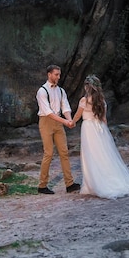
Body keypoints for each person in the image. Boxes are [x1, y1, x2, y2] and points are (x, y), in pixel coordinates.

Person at [72, 75, 129, 199]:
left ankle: (94, 184)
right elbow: (104, 119)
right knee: (105, 155)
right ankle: (110, 179)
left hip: (88, 129)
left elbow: (77, 116)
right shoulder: (101, 101)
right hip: (100, 128)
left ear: (87, 87)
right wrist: (105, 134)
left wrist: (70, 122)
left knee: (91, 156)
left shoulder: (84, 101)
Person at [35, 64, 81, 194]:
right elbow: (48, 113)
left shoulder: (60, 90)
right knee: (48, 153)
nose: (58, 77)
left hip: (59, 122)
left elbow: (65, 107)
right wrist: (66, 122)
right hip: (46, 122)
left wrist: (70, 120)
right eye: (56, 74)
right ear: (49, 74)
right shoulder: (42, 91)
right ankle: (42, 185)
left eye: (59, 74)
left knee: (64, 152)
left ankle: (69, 183)